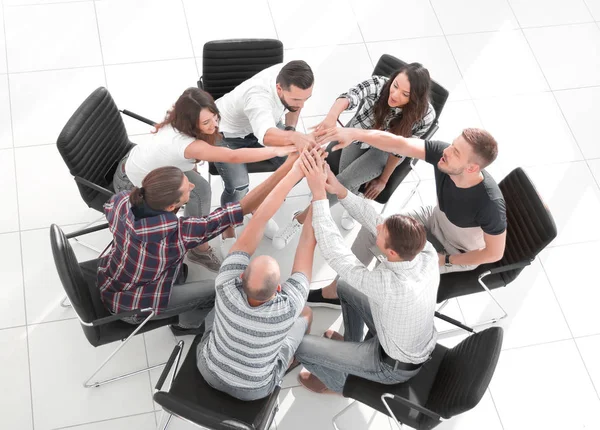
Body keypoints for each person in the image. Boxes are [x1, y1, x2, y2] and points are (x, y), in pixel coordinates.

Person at [307, 127, 507, 308]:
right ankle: (335, 291)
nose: (447, 151)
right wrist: (355, 134)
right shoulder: (444, 157)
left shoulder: (489, 204)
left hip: (456, 250)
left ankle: (361, 310)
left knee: (391, 261)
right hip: (434, 219)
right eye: (453, 145)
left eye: (456, 152)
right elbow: (398, 142)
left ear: (472, 168)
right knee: (376, 232)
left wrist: (446, 260)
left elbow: (493, 253)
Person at [292, 149, 439, 394]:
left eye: (381, 233)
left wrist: (319, 196)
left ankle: (337, 383)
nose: (377, 227)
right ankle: (351, 347)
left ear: (391, 253)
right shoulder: (426, 253)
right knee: (345, 287)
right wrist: (339, 189)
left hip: (390, 365)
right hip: (395, 334)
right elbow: (376, 218)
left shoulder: (392, 287)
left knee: (301, 346)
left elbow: (336, 253)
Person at [98, 156, 298, 335]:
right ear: (170, 206)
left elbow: (111, 213)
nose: (193, 187)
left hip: (113, 279)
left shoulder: (121, 200)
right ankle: (186, 326)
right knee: (218, 290)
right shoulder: (178, 232)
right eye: (187, 189)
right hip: (133, 307)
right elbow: (242, 208)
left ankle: (176, 286)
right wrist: (288, 168)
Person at [112, 87, 295, 271]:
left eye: (215, 116)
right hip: (132, 184)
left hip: (146, 165)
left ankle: (196, 240)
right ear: (190, 124)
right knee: (199, 191)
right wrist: (279, 150)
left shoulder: (178, 121)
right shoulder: (186, 144)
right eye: (206, 122)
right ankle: (198, 249)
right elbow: (233, 156)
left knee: (201, 189)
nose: (214, 125)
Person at [196, 151, 318, 401]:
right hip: (254, 391)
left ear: (240, 276)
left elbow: (259, 218)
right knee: (307, 314)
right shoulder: (289, 307)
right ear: (279, 291)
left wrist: (295, 171)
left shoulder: (226, 286)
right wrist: (319, 195)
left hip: (208, 371)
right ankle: (289, 359)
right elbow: (307, 243)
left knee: (216, 314)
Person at [273, 63, 435, 249]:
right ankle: (355, 200)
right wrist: (331, 117)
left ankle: (301, 220)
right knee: (346, 178)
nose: (395, 94)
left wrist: (383, 179)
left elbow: (400, 150)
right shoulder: (379, 84)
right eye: (395, 85)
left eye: (405, 94)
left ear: (415, 99)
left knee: (343, 181)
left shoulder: (425, 116)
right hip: (356, 135)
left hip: (384, 150)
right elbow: (349, 96)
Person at [214, 60, 317, 256]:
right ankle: (227, 227)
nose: (301, 105)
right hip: (227, 135)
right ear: (279, 88)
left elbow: (294, 108)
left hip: (259, 127)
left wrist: (290, 130)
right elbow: (266, 135)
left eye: (306, 99)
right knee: (238, 186)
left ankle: (257, 207)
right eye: (296, 99)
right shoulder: (258, 96)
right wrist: (294, 138)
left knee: (297, 165)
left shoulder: (292, 77)